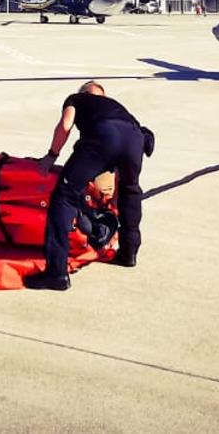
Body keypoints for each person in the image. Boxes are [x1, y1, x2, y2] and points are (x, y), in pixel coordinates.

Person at [23, 81, 145, 291]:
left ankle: (56, 274)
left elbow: (65, 125)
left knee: (64, 196)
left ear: (83, 93)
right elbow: (143, 136)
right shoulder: (116, 106)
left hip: (104, 138)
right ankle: (128, 253)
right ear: (103, 96)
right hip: (135, 140)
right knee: (130, 191)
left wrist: (52, 155)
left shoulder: (77, 99)